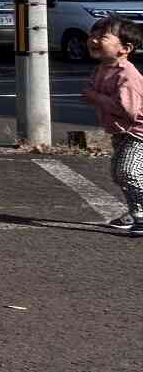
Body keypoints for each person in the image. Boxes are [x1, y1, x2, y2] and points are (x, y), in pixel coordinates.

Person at [83, 16, 143, 234]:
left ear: (125, 48)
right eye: (93, 36)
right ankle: (134, 210)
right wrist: (92, 94)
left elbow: (127, 110)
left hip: (138, 133)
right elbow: (91, 90)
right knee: (120, 174)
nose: (94, 40)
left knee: (127, 171)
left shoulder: (127, 75)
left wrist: (95, 97)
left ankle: (140, 215)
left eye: (102, 37)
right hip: (122, 132)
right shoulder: (103, 68)